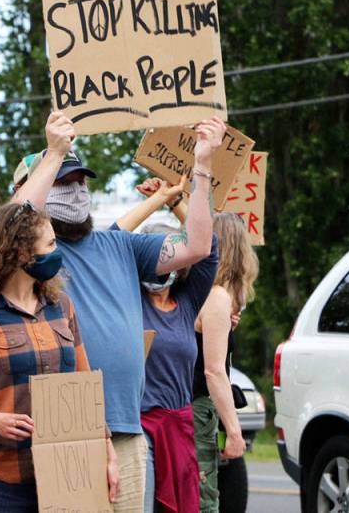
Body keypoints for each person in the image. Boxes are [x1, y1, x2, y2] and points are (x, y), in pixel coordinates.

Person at [11, 113, 223, 512]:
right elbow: (14, 224)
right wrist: (54, 151)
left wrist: (203, 167)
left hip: (127, 426)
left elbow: (197, 247)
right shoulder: (31, 258)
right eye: (61, 180)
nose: (74, 191)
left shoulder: (120, 246)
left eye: (79, 182)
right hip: (62, 428)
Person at [0, 202, 119, 511]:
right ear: (21, 252)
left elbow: (85, 387)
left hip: (69, 473)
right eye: (50, 243)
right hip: (5, 481)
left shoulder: (62, 306)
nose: (57, 251)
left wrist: (107, 453)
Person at [116, 180, 219, 513]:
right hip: (141, 426)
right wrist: (153, 202)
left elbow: (208, 250)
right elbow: (108, 240)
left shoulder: (188, 302)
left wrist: (175, 201)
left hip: (180, 424)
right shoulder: (129, 300)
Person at [192, 212, 257, 513]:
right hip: (201, 409)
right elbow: (214, 370)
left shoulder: (197, 289)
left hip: (185, 407)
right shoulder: (216, 298)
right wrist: (234, 430)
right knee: (206, 501)